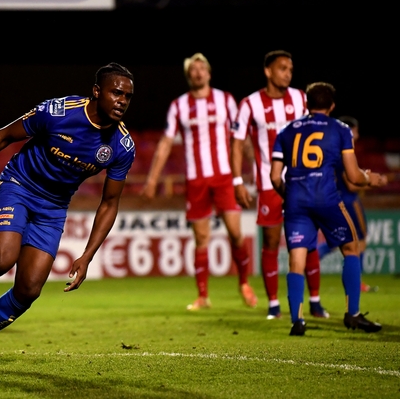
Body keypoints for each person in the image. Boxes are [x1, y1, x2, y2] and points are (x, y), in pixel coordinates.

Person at [0, 63, 136, 370]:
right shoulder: (59, 112)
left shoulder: (122, 147)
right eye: (116, 92)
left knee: (29, 289)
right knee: (2, 259)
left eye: (127, 95)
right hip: (18, 186)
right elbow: (3, 136)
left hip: (54, 208)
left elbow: (110, 202)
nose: (122, 100)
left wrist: (87, 255)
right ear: (97, 92)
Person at [270, 82, 387, 336]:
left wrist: (289, 196)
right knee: (352, 247)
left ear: (305, 104)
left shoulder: (286, 131)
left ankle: (297, 321)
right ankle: (353, 314)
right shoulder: (340, 130)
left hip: (296, 202)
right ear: (332, 105)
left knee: (296, 261)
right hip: (326, 199)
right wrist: (371, 178)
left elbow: (275, 176)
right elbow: (354, 176)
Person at [142, 53, 257, 311]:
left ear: (208, 73)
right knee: (201, 238)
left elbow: (242, 139)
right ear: (188, 75)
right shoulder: (179, 106)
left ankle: (244, 283)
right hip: (196, 180)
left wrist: (256, 168)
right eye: (193, 69)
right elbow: (165, 143)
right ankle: (203, 296)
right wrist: (152, 179)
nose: (198, 72)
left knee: (236, 234)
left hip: (225, 177)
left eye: (201, 68)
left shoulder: (226, 100)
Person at [231, 50, 328, 320]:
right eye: (283, 68)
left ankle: (316, 302)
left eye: (290, 68)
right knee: (272, 243)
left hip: (303, 182)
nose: (288, 72)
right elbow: (237, 142)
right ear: (268, 71)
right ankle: (274, 305)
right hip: (267, 184)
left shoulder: (300, 98)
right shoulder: (250, 103)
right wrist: (237, 180)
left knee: (308, 241)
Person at [316, 116, 376, 292]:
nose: (357, 134)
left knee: (340, 240)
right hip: (349, 200)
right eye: (355, 130)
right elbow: (351, 183)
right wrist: (368, 180)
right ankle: (356, 283)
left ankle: (310, 259)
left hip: (337, 198)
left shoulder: (333, 149)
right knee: (359, 240)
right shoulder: (345, 150)